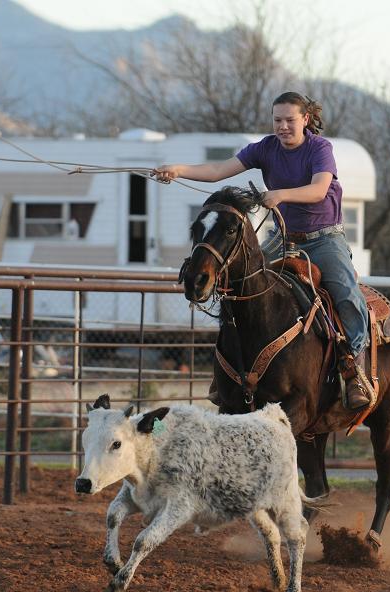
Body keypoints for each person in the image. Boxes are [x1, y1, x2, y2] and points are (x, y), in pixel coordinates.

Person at [151, 92, 371, 410]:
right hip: (285, 238)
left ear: (305, 120)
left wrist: (280, 194)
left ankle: (354, 371)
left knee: (347, 294)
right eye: (277, 120)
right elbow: (217, 170)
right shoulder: (265, 148)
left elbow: (319, 189)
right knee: (242, 282)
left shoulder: (319, 149)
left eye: (289, 120)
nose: (282, 126)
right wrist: (178, 169)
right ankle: (229, 371)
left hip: (324, 239)